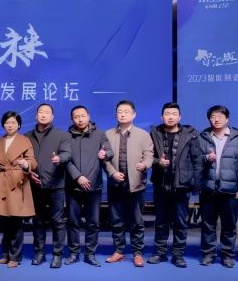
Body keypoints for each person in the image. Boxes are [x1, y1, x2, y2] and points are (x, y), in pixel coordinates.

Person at [148, 102, 201, 268]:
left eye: (174, 114)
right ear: (161, 117)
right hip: (161, 184)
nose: (170, 117)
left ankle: (178, 255)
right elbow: (147, 156)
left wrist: (195, 185)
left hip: (181, 185)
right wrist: (158, 162)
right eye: (167, 114)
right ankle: (160, 252)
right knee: (161, 221)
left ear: (180, 117)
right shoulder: (154, 133)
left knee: (180, 222)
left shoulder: (191, 135)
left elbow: (197, 160)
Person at [197, 105, 238, 268]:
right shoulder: (202, 137)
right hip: (208, 189)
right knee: (208, 224)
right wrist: (206, 158)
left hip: (231, 191)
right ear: (209, 119)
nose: (216, 119)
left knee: (229, 225)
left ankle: (227, 255)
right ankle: (208, 254)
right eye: (213, 116)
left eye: (220, 116)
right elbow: (194, 160)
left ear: (227, 119)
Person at [104, 100, 154, 267]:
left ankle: (137, 253)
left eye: (126, 111)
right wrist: (112, 173)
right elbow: (104, 159)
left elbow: (149, 155)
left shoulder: (143, 135)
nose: (123, 114)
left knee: (136, 221)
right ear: (116, 115)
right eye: (120, 111)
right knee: (116, 220)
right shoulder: (108, 134)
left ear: (134, 114)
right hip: (115, 184)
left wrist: (144, 165)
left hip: (136, 184)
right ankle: (119, 251)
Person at [65, 105, 112, 267]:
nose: (80, 119)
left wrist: (105, 154)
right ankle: (73, 253)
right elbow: (65, 160)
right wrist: (78, 177)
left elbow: (110, 151)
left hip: (94, 186)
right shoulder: (66, 136)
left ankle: (90, 254)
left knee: (93, 222)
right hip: (73, 186)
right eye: (76, 116)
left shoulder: (100, 134)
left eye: (83, 115)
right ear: (72, 119)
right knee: (73, 222)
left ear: (88, 116)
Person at [26, 103, 71, 268]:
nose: (43, 115)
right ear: (36, 115)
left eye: (47, 112)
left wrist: (59, 158)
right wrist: (28, 173)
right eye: (40, 112)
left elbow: (67, 153)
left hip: (56, 185)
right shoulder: (27, 136)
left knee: (57, 221)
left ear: (52, 117)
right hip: (35, 184)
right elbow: (24, 159)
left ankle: (57, 254)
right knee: (38, 221)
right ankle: (39, 253)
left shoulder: (62, 135)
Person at [0, 111, 37, 268]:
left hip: (17, 182)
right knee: (4, 221)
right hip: (2, 181)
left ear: (19, 125)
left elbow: (33, 161)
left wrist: (26, 164)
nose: (9, 125)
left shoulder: (24, 141)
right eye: (7, 122)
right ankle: (5, 255)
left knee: (16, 222)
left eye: (13, 122)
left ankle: (15, 257)